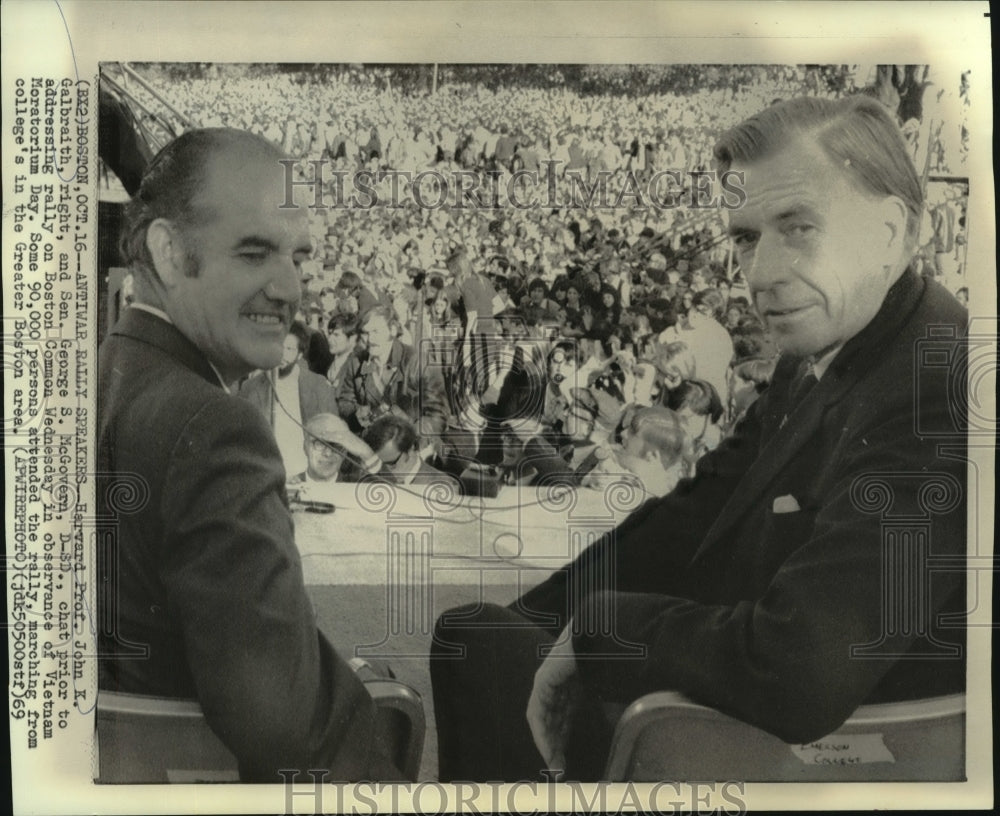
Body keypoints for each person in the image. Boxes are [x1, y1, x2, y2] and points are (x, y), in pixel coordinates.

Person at [430, 95, 968, 782]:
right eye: (746, 238)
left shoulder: (937, 387)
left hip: (823, 766)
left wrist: (598, 630)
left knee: (474, 646)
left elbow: (802, 668)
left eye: (799, 227)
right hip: (768, 739)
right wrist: (538, 620)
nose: (760, 275)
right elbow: (698, 511)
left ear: (891, 232)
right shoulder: (828, 344)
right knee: (487, 636)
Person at [97, 128, 403, 782]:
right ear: (169, 252)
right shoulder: (214, 428)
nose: (290, 289)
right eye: (255, 252)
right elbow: (289, 729)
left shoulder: (103, 377)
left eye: (297, 257)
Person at [239, 321, 340, 475]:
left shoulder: (318, 386)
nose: (282, 354)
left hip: (308, 475)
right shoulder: (250, 387)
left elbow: (335, 439)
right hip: (265, 474)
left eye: (289, 349)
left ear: (300, 354)